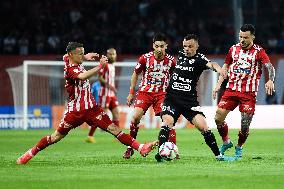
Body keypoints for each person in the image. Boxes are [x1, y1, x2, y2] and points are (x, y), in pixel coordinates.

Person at [16, 42, 157, 165]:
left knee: (114, 129)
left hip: (92, 109)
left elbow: (70, 57)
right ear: (72, 54)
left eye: (83, 53)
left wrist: (85, 56)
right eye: (80, 54)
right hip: (75, 112)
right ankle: (30, 153)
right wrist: (99, 66)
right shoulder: (71, 69)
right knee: (56, 137)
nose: (82, 56)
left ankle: (141, 148)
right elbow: (82, 75)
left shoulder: (68, 59)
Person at [155, 34, 235, 162]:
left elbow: (212, 64)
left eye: (190, 46)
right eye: (185, 46)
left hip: (189, 102)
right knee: (167, 123)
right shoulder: (180, 54)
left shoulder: (199, 59)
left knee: (204, 127)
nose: (187, 49)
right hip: (172, 99)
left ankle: (219, 156)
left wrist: (220, 70)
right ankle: (161, 153)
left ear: (197, 46)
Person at [213, 24, 276, 159]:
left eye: (245, 37)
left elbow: (269, 66)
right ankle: (226, 142)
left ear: (252, 37)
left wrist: (270, 80)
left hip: (248, 94)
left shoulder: (259, 51)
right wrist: (218, 84)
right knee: (218, 117)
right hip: (231, 90)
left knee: (244, 125)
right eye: (240, 37)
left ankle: (239, 147)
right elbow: (225, 66)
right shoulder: (233, 49)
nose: (242, 40)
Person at [123, 33, 177, 159]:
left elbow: (176, 77)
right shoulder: (145, 58)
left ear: (166, 46)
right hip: (145, 92)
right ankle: (130, 147)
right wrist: (131, 92)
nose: (159, 49)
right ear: (153, 45)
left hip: (162, 94)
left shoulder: (171, 61)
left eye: (162, 46)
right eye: (157, 46)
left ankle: (172, 148)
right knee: (135, 117)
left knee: (168, 120)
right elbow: (135, 74)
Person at [85, 48, 120, 143]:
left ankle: (118, 136)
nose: (112, 56)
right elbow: (100, 78)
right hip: (105, 94)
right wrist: (110, 86)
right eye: (110, 54)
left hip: (111, 94)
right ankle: (90, 136)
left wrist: (112, 89)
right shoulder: (105, 65)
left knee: (116, 113)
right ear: (107, 55)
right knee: (100, 116)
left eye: (113, 54)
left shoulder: (112, 66)